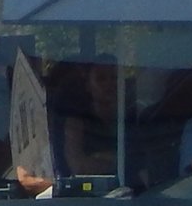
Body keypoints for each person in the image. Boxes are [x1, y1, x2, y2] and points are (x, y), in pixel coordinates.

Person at [17, 58, 120, 196]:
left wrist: (102, 158)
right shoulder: (76, 123)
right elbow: (79, 169)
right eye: (101, 78)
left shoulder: (135, 118)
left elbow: (139, 164)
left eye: (114, 78)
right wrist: (117, 160)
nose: (109, 84)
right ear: (88, 85)